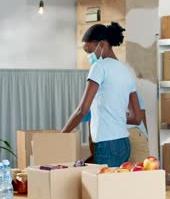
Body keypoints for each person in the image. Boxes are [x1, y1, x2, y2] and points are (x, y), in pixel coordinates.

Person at [61, 22, 142, 167]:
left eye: (89, 51)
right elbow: (137, 118)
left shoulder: (99, 67)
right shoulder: (127, 71)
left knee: (104, 188)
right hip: (124, 143)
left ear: (102, 44)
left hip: (106, 143)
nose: (89, 56)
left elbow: (82, 110)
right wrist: (113, 114)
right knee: (117, 187)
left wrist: (62, 134)